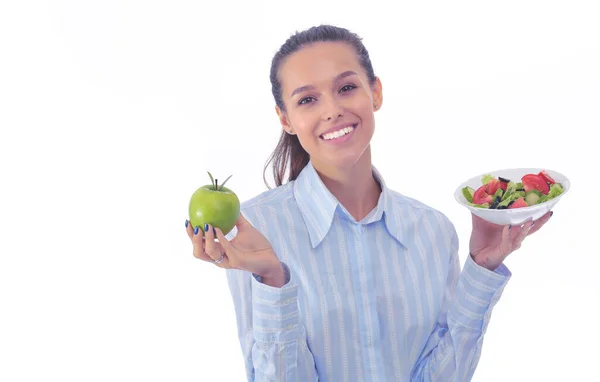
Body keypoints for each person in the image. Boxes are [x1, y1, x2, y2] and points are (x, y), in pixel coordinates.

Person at [185, 24, 553, 382]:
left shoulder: (433, 230)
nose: (332, 110)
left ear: (375, 93)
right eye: (307, 99)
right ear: (286, 118)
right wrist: (273, 279)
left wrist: (481, 269)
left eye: (346, 87)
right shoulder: (255, 229)